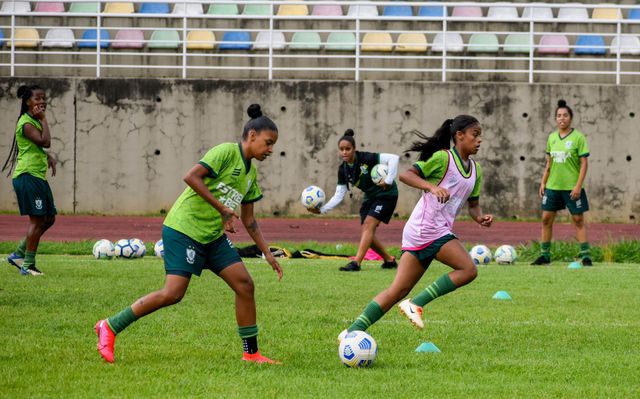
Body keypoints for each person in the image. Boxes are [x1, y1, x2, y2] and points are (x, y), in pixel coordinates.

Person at [95, 104, 283, 364]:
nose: (271, 150)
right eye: (268, 142)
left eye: (273, 144)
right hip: (183, 229)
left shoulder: (250, 172)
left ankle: (251, 354)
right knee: (173, 293)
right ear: (252, 136)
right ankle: (109, 326)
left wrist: (267, 253)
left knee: (245, 285)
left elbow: (249, 220)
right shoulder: (226, 152)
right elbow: (191, 177)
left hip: (212, 238)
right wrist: (223, 210)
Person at [339, 115, 492, 337]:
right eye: (475, 135)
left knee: (398, 290)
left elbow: (473, 205)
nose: (479, 140)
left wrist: (480, 218)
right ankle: (416, 304)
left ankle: (351, 331)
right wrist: (431, 187)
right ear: (459, 136)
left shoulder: (476, 170)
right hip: (428, 228)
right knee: (468, 269)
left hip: (426, 231)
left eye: (480, 136)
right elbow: (406, 175)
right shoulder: (443, 159)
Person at [309, 129, 400, 272]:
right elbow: (339, 195)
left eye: (347, 149)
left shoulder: (366, 158)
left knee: (369, 225)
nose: (344, 152)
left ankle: (356, 263)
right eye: (341, 149)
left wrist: (388, 180)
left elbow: (394, 158)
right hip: (370, 197)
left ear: (354, 149)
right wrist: (321, 209)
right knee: (366, 232)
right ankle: (389, 260)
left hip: (386, 194)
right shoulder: (343, 170)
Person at [2, 84, 57, 276]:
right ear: (27, 102)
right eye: (37, 99)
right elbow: (45, 141)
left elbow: (37, 146)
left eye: (44, 98)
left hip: (36, 177)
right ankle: (27, 265)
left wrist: (46, 156)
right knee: (37, 220)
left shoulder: (32, 121)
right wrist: (43, 119)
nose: (41, 102)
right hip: (28, 176)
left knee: (49, 219)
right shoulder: (26, 122)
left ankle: (18, 254)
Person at [531, 100, 592, 266]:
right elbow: (549, 163)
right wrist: (543, 182)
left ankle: (586, 256)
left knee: (578, 220)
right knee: (545, 219)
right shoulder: (551, 138)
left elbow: (584, 163)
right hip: (553, 186)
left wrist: (578, 185)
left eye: (565, 115)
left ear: (570, 118)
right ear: (555, 119)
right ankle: (545, 256)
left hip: (572, 187)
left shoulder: (578, 137)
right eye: (559, 116)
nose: (562, 118)